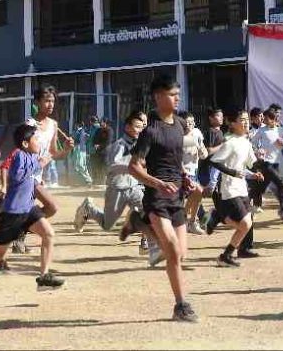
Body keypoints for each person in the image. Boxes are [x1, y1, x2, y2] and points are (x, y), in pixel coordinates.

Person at [0, 124, 65, 307]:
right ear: (25, 143)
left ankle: (43, 277)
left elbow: (44, 159)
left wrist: (63, 149)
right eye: (35, 139)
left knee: (48, 234)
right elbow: (16, 177)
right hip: (12, 214)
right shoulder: (19, 156)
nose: (37, 141)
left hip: (28, 209)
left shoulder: (30, 155)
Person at [128, 74, 198, 322]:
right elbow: (134, 167)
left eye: (178, 93)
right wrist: (158, 183)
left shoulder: (179, 124)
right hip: (157, 196)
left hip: (176, 196)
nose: (177, 97)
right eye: (171, 94)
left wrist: (184, 176)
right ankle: (181, 305)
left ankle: (139, 223)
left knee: (181, 254)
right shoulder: (150, 131)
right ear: (158, 97)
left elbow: (175, 159)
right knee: (172, 251)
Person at [74, 112, 161, 265]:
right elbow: (112, 165)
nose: (140, 130)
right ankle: (88, 208)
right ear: (127, 127)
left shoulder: (141, 144)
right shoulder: (120, 144)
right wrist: (134, 167)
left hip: (134, 187)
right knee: (107, 225)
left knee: (149, 212)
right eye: (137, 126)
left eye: (142, 127)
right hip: (117, 188)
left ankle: (150, 248)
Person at [208, 108, 263, 267]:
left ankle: (227, 254)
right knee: (245, 224)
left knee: (247, 223)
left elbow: (250, 164)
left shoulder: (245, 141)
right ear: (232, 123)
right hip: (229, 189)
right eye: (242, 119)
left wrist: (256, 172)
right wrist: (232, 172)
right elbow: (214, 161)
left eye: (247, 119)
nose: (246, 122)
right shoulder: (229, 142)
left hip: (242, 188)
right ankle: (226, 252)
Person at [250, 109, 283, 218]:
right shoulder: (262, 130)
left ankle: (250, 201)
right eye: (264, 117)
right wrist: (258, 150)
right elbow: (252, 143)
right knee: (281, 185)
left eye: (267, 118)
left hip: (278, 162)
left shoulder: (281, 130)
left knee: (262, 187)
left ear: (273, 119)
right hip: (266, 163)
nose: (264, 119)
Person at [177, 111, 207, 234]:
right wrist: (184, 173)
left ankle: (191, 222)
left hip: (193, 172)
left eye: (192, 122)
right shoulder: (177, 137)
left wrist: (201, 150)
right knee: (195, 193)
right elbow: (175, 159)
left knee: (198, 194)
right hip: (179, 173)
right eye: (187, 122)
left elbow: (204, 153)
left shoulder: (197, 133)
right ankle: (183, 220)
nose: (190, 125)